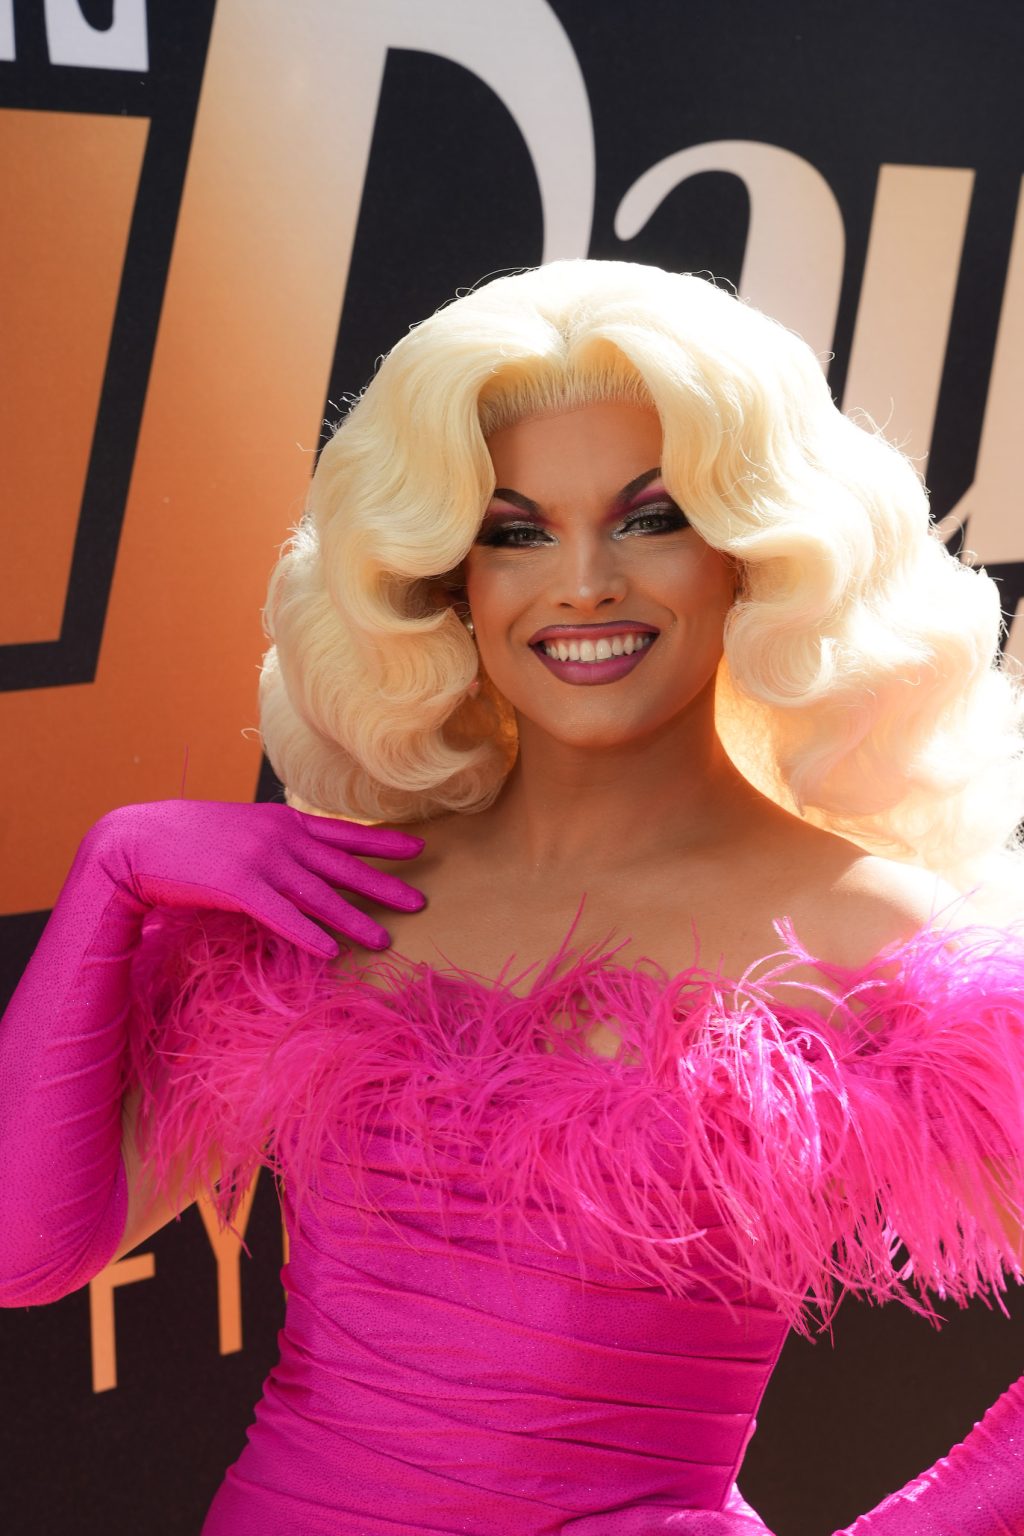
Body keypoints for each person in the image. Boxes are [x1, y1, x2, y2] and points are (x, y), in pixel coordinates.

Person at [3, 259, 1024, 1535]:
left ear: (750, 554)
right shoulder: (336, 906)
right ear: (448, 582)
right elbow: (26, 1253)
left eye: (651, 519)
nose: (583, 582)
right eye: (516, 532)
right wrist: (115, 867)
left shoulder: (869, 934)